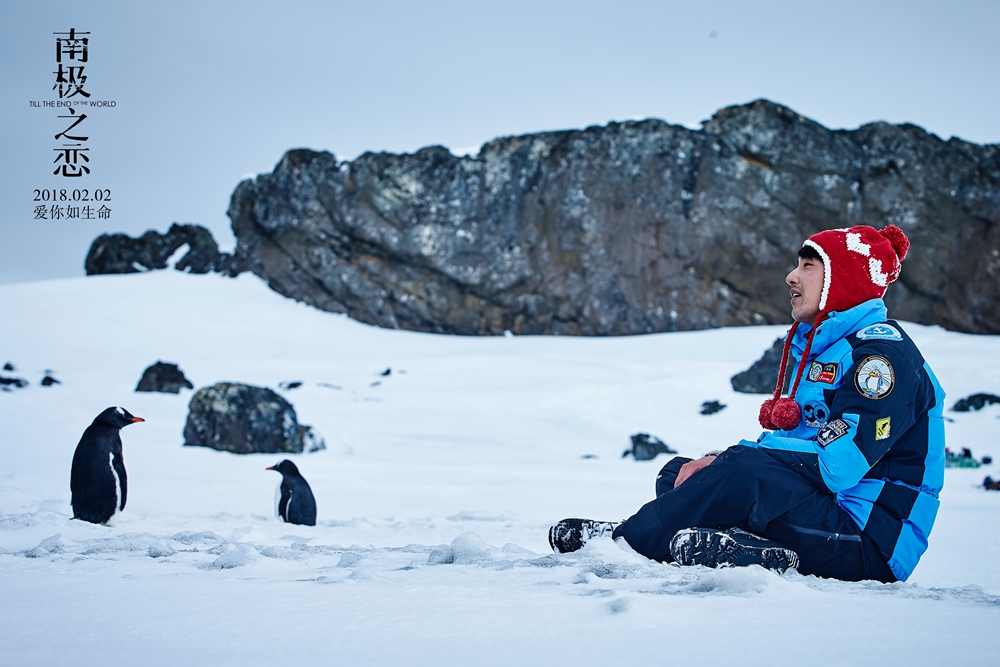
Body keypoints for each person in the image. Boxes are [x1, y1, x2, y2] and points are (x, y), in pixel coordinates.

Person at [549, 224, 945, 583]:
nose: (791, 276)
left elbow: (837, 465)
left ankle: (626, 541)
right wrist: (722, 462)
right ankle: (748, 551)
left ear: (844, 280)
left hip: (869, 543)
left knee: (735, 470)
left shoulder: (882, 360)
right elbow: (789, 456)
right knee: (679, 474)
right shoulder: (826, 350)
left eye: (808, 266)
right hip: (827, 516)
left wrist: (735, 460)